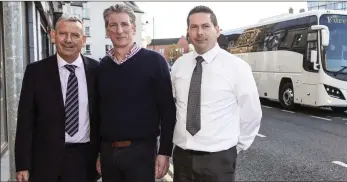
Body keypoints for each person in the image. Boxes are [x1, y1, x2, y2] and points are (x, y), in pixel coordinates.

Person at [171, 5, 263, 182]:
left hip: (218, 161)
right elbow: (174, 106)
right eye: (194, 27)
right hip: (182, 158)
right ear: (188, 32)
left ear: (217, 30)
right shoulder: (178, 66)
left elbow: (251, 114)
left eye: (206, 26)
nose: (200, 32)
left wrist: (234, 147)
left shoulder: (237, 68)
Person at [14, 15, 100, 182]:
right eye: (63, 34)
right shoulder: (35, 72)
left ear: (83, 40)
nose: (68, 40)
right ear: (53, 36)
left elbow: (104, 116)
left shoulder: (98, 71)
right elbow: (25, 121)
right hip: (44, 163)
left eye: (75, 35)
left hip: (84, 162)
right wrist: (23, 164)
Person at [96, 4, 176, 182]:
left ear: (133, 27)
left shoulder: (155, 62)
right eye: (113, 25)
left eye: (124, 24)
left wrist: (164, 152)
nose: (119, 30)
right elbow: (99, 113)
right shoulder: (102, 66)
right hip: (109, 153)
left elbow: (168, 110)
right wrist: (99, 151)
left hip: (142, 153)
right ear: (107, 30)